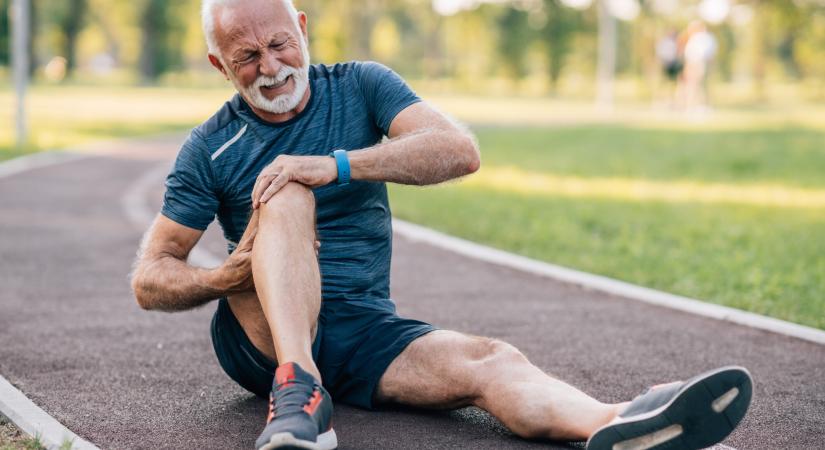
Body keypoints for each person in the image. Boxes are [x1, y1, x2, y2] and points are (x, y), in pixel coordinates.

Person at [129, 1, 753, 449]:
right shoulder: (210, 147)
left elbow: (457, 149)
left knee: (489, 359)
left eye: (280, 44)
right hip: (262, 333)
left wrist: (339, 164)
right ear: (219, 64)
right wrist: (233, 272)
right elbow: (150, 278)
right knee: (286, 186)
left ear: (302, 26)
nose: (271, 67)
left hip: (364, 330)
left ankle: (614, 422)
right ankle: (298, 393)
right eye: (247, 57)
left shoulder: (362, 85)